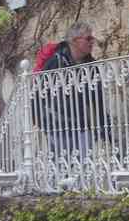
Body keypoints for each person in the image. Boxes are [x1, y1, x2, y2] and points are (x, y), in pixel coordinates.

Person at [41, 22, 106, 163]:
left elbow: (98, 98)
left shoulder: (91, 66)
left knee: (83, 169)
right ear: (74, 41)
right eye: (88, 39)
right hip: (57, 127)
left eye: (92, 39)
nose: (92, 42)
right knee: (61, 169)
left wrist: (103, 125)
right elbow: (39, 91)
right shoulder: (55, 62)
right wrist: (41, 121)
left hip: (82, 125)